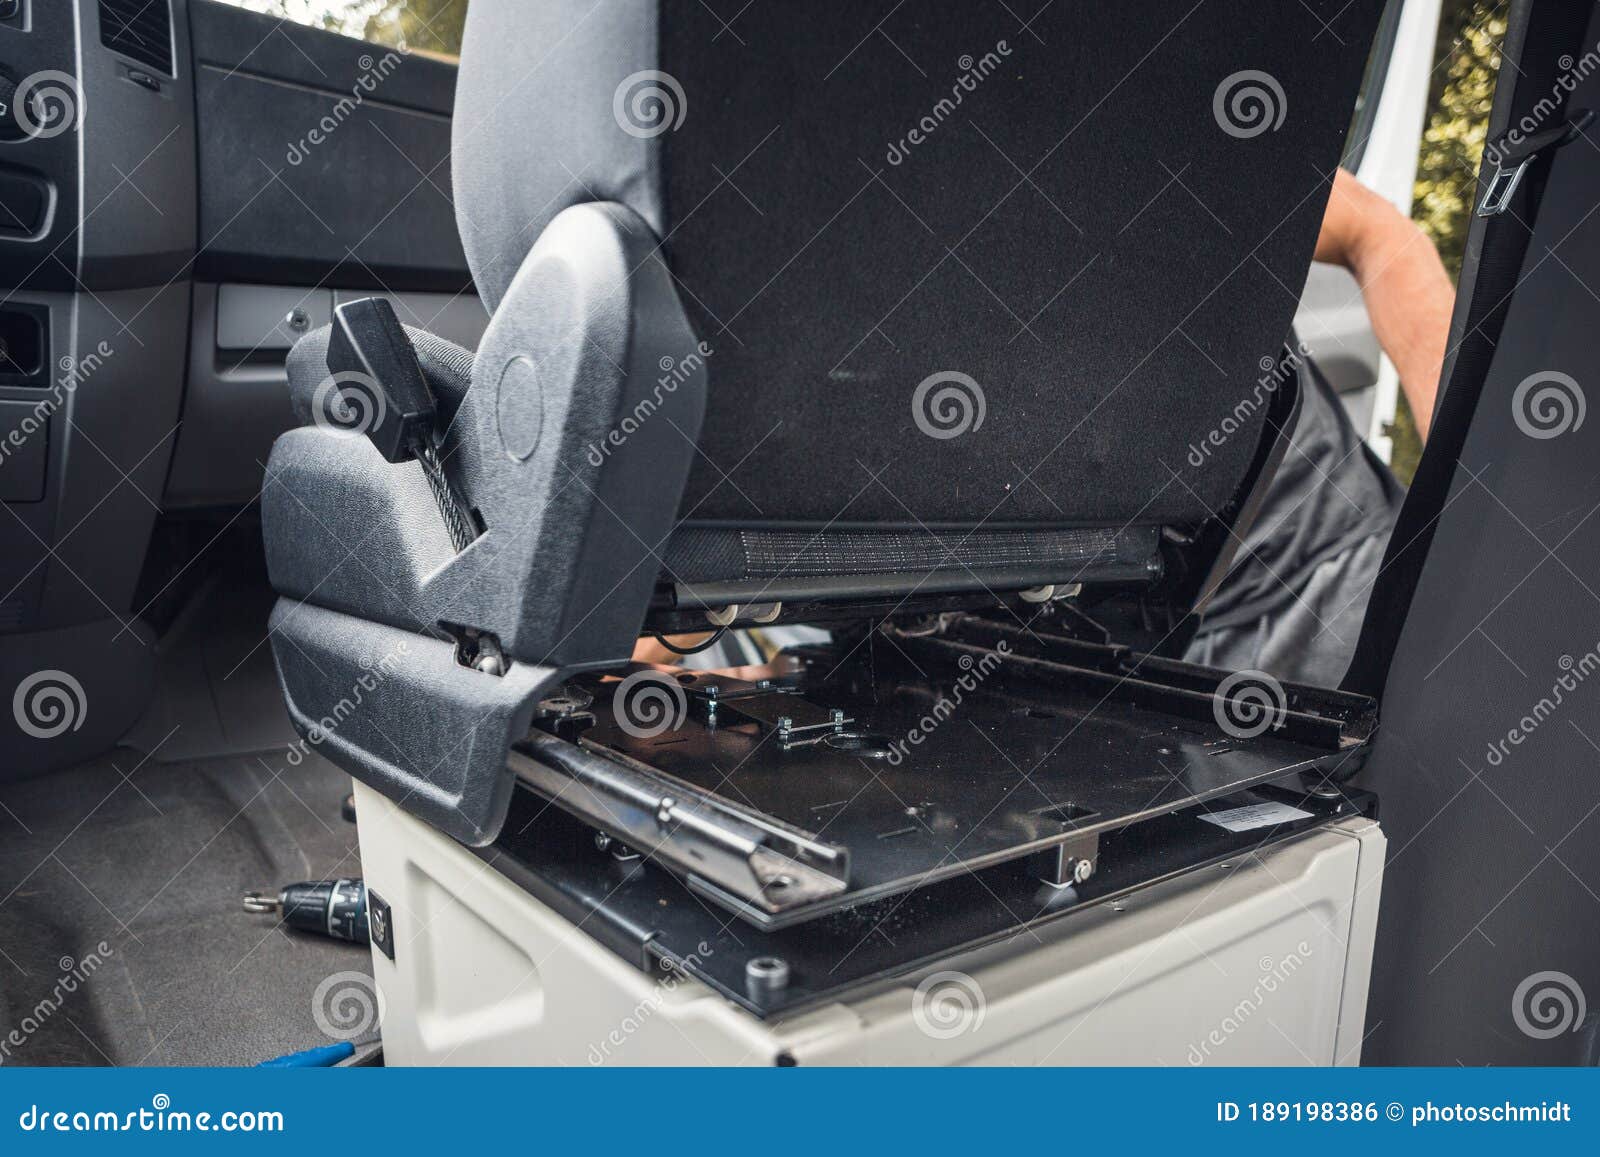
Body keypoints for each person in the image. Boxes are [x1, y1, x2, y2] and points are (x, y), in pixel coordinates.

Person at [640, 169, 1457, 686]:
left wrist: (1471, 488)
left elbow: (1369, 230)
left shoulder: (1116, 121)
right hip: (1077, 670)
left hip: (1321, 586)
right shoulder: (770, 220)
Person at [1183, 167, 1455, 685]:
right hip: (1147, 647)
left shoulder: (1163, 117)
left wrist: (1471, 486)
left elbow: (1368, 228)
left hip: (1353, 577)